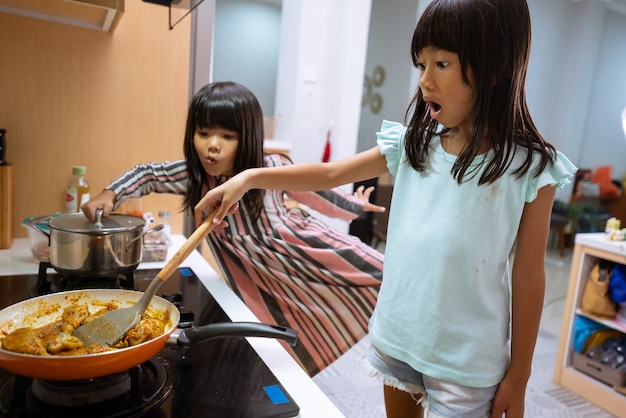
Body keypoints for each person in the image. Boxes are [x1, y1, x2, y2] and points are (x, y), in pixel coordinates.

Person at [194, 1, 578, 417]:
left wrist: (519, 376)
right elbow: (329, 173)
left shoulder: (530, 168)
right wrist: (248, 177)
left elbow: (527, 275)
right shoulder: (413, 144)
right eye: (421, 64)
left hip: (467, 363)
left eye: (442, 64)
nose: (425, 81)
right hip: (398, 340)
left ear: (494, 68)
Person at [81, 81, 385, 376]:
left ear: (248, 138)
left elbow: (316, 191)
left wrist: (354, 206)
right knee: (279, 338)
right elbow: (147, 174)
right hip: (252, 274)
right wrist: (111, 193)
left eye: (228, 136)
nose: (213, 145)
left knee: (382, 279)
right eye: (203, 133)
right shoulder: (194, 175)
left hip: (299, 254)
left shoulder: (270, 167)